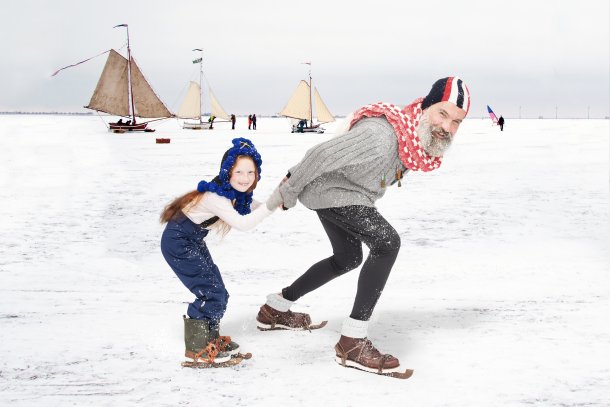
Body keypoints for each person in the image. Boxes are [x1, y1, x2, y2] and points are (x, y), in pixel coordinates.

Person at [256, 77, 470, 376]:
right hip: (332, 191)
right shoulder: (381, 136)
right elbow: (321, 154)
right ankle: (352, 341)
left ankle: (275, 308)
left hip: (346, 193)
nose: (447, 127)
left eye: (457, 121)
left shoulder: (414, 141)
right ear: (425, 106)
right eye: (442, 114)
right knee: (387, 243)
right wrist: (287, 193)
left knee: (348, 258)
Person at [160, 137, 283, 365]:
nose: (245, 179)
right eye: (239, 172)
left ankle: (210, 338)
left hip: (192, 239)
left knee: (219, 291)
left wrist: (280, 198)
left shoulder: (234, 194)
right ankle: (198, 347)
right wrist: (269, 206)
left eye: (251, 173)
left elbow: (259, 207)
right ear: (227, 172)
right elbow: (244, 224)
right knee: (211, 292)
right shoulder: (216, 197)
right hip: (178, 241)